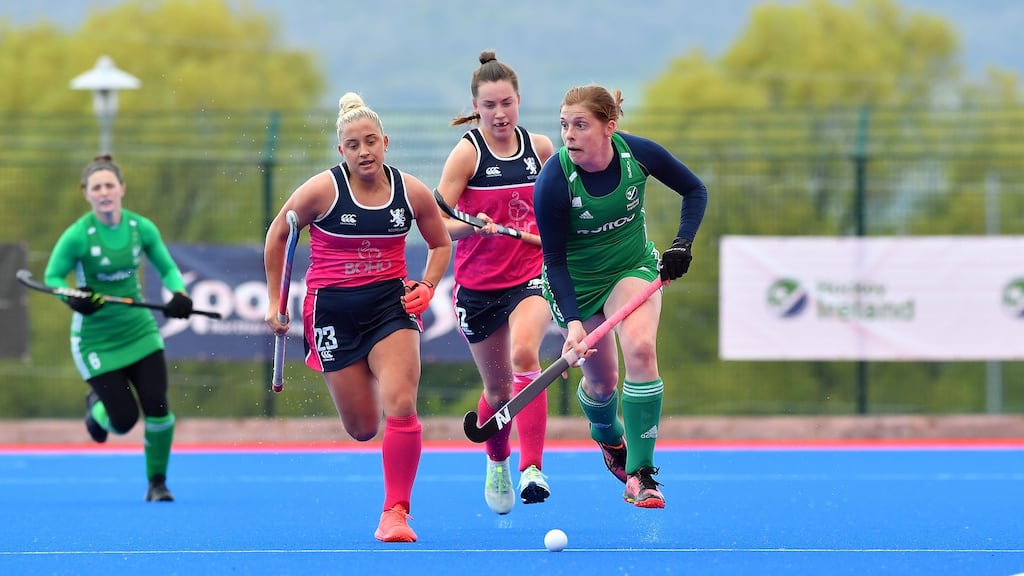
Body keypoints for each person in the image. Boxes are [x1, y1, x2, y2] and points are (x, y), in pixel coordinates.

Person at [264, 92, 452, 543]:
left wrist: (426, 286)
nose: (364, 151)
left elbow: (441, 243)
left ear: (385, 142)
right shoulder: (322, 191)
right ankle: (367, 375)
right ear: (341, 151)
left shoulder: (411, 191)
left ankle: (396, 512)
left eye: (371, 141)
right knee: (364, 428)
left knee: (402, 404)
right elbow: (277, 237)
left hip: (390, 307)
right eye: (353, 144)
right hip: (332, 312)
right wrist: (276, 301)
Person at [533, 85, 708, 509]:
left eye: (580, 125)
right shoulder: (554, 181)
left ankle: (641, 474)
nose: (568, 134)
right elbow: (554, 261)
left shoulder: (638, 154)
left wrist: (682, 244)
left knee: (642, 349)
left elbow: (695, 190)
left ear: (609, 127)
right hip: (576, 283)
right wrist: (573, 323)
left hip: (631, 269)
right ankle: (608, 438)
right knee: (601, 382)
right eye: (564, 125)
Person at [435, 50, 556, 516]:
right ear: (476, 107)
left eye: (507, 103)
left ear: (519, 101)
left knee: (527, 353)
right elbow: (439, 223)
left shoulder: (541, 150)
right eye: (489, 106)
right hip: (478, 287)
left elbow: (559, 208)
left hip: (530, 275)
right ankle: (498, 460)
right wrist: (471, 224)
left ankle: (532, 468)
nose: (499, 113)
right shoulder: (468, 152)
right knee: (500, 392)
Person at [43, 154, 195, 503]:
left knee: (158, 407)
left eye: (110, 185)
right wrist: (72, 298)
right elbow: (53, 277)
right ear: (87, 193)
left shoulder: (141, 229)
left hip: (139, 332)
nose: (104, 192)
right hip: (96, 339)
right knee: (124, 420)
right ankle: (98, 412)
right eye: (97, 187)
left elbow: (168, 268)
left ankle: (157, 482)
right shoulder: (78, 236)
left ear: (121, 189)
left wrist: (180, 295)